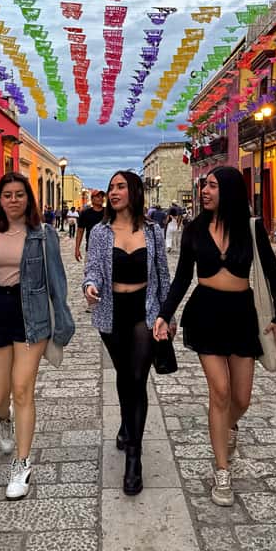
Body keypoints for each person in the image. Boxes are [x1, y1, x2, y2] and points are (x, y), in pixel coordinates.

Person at [154, 166, 276, 507]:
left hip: (242, 315)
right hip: (206, 313)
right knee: (221, 390)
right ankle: (222, 470)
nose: (205, 191)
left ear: (228, 190)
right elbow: (183, 277)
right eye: (204, 186)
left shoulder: (251, 228)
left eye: (212, 186)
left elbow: (274, 275)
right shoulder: (194, 228)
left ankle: (227, 428)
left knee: (241, 398)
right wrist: (164, 314)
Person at [0, 172, 75, 500]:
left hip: (31, 313)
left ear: (28, 198)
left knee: (23, 389)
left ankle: (21, 464)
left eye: (19, 194)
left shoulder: (43, 234)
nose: (13, 200)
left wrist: (62, 319)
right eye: (7, 195)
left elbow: (57, 280)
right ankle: (3, 419)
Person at [84, 171, 171, 496]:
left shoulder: (153, 231)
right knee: (124, 376)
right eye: (111, 187)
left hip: (144, 312)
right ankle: (126, 423)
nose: (114, 191)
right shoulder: (100, 232)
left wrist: (167, 314)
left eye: (121, 186)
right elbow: (92, 269)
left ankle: (134, 458)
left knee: (136, 378)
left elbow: (163, 275)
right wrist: (90, 286)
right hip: (112, 312)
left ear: (134, 191)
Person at [75, 189, 105, 261]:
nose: (101, 198)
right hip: (91, 249)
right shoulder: (85, 213)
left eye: (102, 196)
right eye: (98, 196)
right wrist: (77, 249)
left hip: (107, 250)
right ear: (92, 199)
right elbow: (80, 231)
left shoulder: (108, 213)